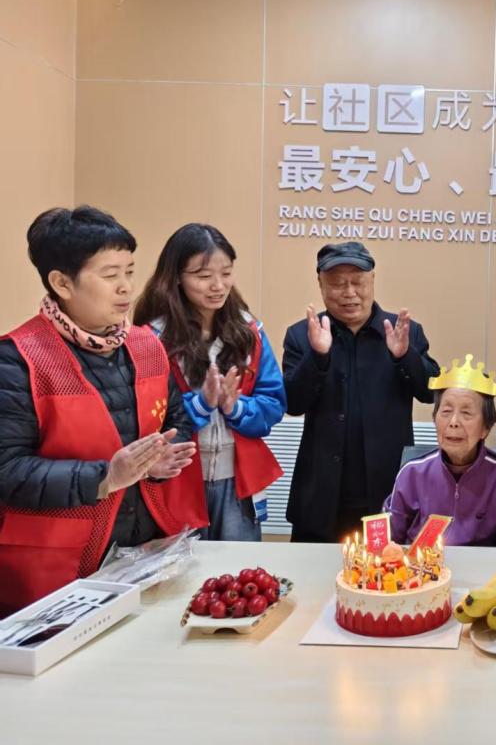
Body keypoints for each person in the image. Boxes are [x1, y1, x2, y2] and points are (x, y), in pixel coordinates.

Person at [0, 206, 203, 616]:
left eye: (129, 271)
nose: (126, 287)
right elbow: (8, 470)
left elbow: (176, 419)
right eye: (110, 275)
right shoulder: (18, 359)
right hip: (56, 568)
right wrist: (106, 477)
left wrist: (161, 458)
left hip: (146, 551)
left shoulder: (146, 345)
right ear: (61, 282)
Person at [134, 223, 285, 541]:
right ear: (176, 277)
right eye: (203, 276)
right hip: (177, 479)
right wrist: (202, 404)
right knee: (183, 568)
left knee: (239, 566)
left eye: (226, 273)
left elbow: (273, 403)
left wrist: (235, 407)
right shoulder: (151, 338)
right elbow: (144, 418)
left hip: (237, 479)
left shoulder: (249, 332)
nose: (218, 285)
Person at [283, 242, 439, 543]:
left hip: (387, 493)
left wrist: (404, 356)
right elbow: (292, 403)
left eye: (358, 282)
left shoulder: (404, 331)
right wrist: (318, 356)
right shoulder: (302, 335)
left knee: (386, 570)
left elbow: (430, 392)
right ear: (320, 285)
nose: (349, 292)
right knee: (313, 570)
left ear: (373, 280)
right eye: (337, 284)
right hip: (320, 497)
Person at [385, 355, 496, 547]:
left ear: (486, 427)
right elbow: (388, 541)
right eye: (446, 412)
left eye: (466, 413)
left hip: (480, 566)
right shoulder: (411, 473)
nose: (453, 422)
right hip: (421, 564)